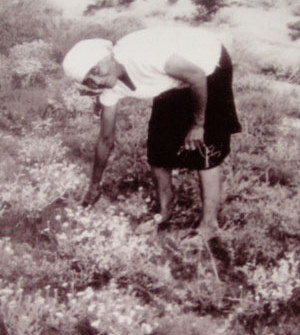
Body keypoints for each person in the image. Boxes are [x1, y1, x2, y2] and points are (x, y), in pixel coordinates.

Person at [63, 26, 241, 239]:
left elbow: (196, 75)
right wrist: (94, 184)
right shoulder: (108, 86)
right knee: (158, 149)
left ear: (108, 56)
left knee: (205, 150)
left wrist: (198, 124)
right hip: (172, 80)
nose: (97, 80)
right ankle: (164, 213)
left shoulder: (144, 56)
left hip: (208, 67)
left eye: (96, 70)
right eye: (89, 79)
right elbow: (105, 138)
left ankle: (209, 226)